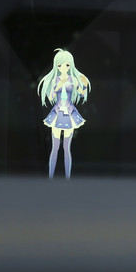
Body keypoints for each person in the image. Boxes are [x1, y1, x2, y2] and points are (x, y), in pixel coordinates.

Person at [37, 49, 91, 178]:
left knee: (67, 148)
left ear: (70, 65)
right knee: (55, 147)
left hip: (69, 114)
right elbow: (51, 96)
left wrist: (84, 84)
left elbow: (81, 93)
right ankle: (50, 177)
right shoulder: (55, 80)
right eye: (60, 65)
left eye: (67, 65)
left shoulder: (73, 79)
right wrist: (57, 86)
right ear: (56, 65)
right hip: (57, 114)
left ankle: (68, 178)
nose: (63, 67)